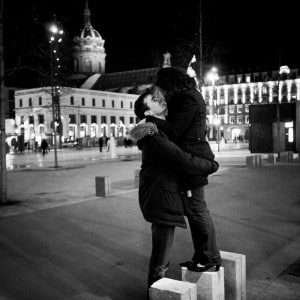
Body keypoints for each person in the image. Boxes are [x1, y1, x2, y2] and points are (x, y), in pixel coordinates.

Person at [129, 90, 219, 291]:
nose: (160, 98)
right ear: (147, 111)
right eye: (153, 99)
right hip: (160, 199)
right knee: (160, 262)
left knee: (161, 258)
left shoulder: (160, 131)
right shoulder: (153, 137)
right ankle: (154, 294)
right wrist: (211, 165)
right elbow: (182, 160)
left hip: (163, 196)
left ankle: (157, 291)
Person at [153, 67, 221, 272]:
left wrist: (151, 120)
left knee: (196, 210)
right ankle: (203, 255)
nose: (162, 91)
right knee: (196, 210)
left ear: (171, 84)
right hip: (189, 157)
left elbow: (175, 130)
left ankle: (209, 257)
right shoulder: (188, 96)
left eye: (163, 87)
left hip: (192, 159)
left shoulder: (188, 98)